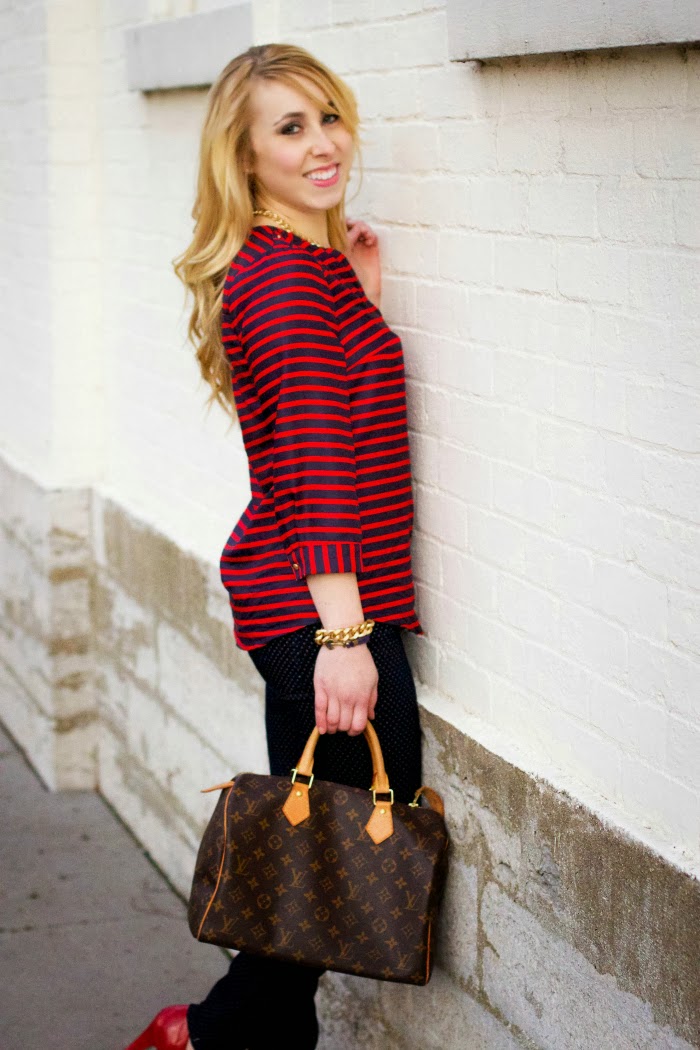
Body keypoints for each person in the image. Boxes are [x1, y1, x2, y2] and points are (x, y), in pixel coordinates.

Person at [125, 43, 423, 1050]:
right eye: (290, 128)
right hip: (318, 608)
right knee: (341, 836)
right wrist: (344, 639)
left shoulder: (303, 268)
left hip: (315, 600)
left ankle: (216, 1037)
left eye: (328, 116)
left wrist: (362, 298)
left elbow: (337, 416)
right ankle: (204, 1035)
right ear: (245, 158)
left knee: (325, 845)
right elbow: (319, 467)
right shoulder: (287, 282)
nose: (323, 143)